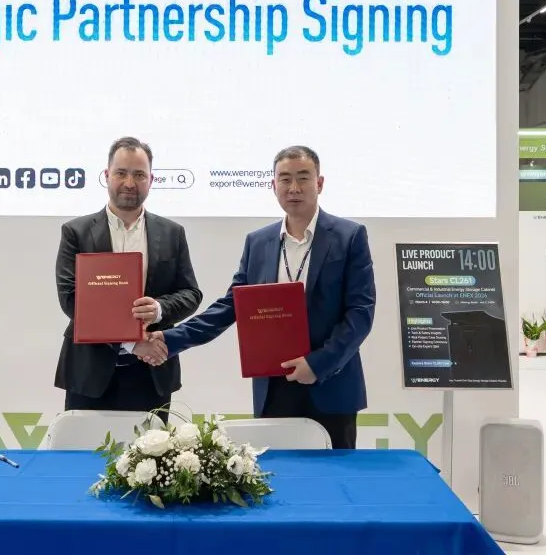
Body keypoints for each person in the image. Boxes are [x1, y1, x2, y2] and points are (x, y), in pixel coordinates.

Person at [139, 145, 375, 449]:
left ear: (319, 183)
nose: (294, 187)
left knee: (334, 476)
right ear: (273, 185)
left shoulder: (350, 236)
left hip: (331, 385)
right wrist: (171, 338)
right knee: (276, 474)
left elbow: (360, 313)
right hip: (273, 387)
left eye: (303, 178)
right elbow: (230, 306)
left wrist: (318, 364)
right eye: (285, 179)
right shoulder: (258, 242)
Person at [53, 137, 202, 420]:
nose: (130, 183)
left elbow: (190, 293)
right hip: (89, 373)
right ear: (107, 175)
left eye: (139, 175)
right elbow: (72, 300)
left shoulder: (172, 233)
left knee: (151, 449)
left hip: (151, 372)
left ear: (151, 180)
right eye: (121, 173)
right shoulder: (76, 232)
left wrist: (159, 308)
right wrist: (132, 343)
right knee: (83, 449)